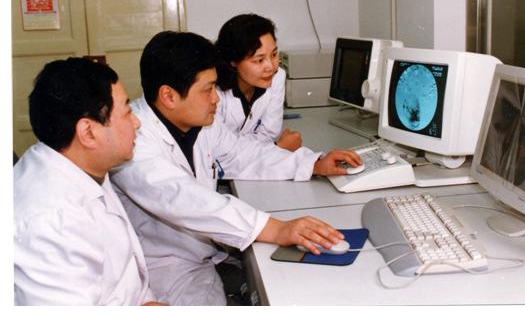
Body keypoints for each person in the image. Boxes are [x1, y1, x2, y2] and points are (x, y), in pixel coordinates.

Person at [110, 31, 361, 305]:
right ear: (169, 96)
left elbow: (243, 153)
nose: (216, 99)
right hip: (166, 268)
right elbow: (183, 198)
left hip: (205, 253)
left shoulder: (199, 123)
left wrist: (312, 163)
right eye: (207, 89)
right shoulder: (134, 141)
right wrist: (275, 229)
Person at [14, 58, 163, 305]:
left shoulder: (82, 163)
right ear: (88, 132)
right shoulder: (49, 221)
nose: (137, 123)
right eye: (127, 112)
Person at [215, 13, 301, 151]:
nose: (271, 67)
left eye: (274, 55)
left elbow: (269, 133)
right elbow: (218, 149)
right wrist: (278, 148)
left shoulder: (277, 77)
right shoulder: (214, 92)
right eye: (259, 60)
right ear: (233, 61)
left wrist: (267, 148)